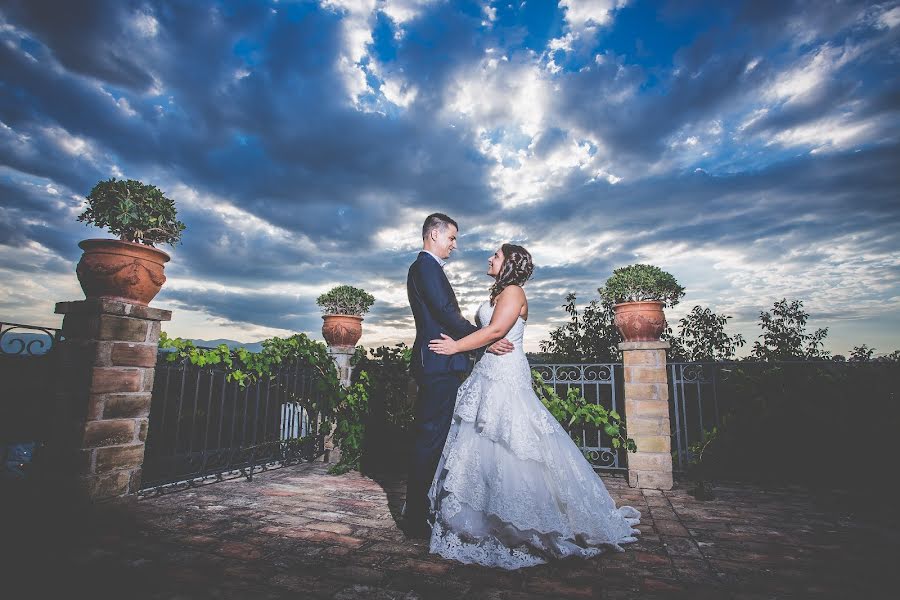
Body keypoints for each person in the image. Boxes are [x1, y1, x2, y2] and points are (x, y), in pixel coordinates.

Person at [426, 243, 641, 569]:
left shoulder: (513, 291)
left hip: (507, 374)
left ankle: (525, 519)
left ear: (510, 263)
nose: (490, 259)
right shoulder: (500, 292)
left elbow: (497, 330)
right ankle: (485, 517)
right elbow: (489, 334)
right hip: (485, 371)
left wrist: (456, 346)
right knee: (482, 444)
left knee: (514, 443)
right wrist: (481, 342)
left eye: (495, 256)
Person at [402, 213, 513, 538]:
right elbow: (447, 314)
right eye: (451, 238)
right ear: (434, 235)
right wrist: (485, 340)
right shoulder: (425, 267)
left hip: (437, 362)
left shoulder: (425, 268)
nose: (454, 245)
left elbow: (445, 314)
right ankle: (415, 518)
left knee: (431, 437)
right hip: (438, 362)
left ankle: (417, 510)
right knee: (429, 438)